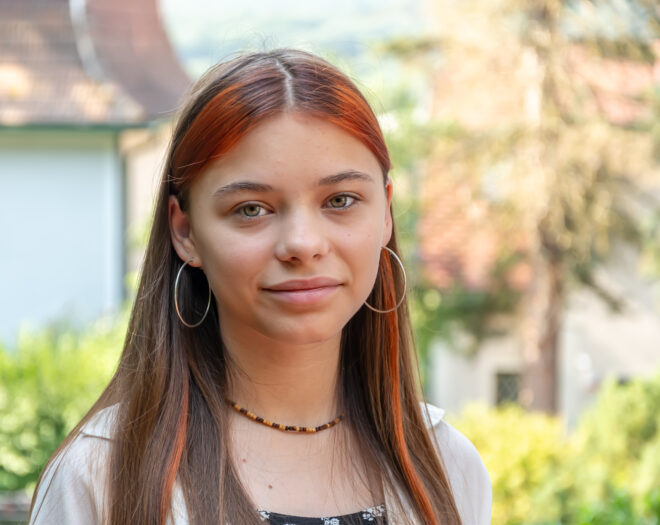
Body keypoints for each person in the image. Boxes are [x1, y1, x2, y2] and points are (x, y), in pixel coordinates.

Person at [28, 48, 491, 525]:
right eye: (252, 208)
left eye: (341, 200)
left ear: (386, 214)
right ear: (185, 232)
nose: (303, 244)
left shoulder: (448, 468)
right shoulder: (103, 476)